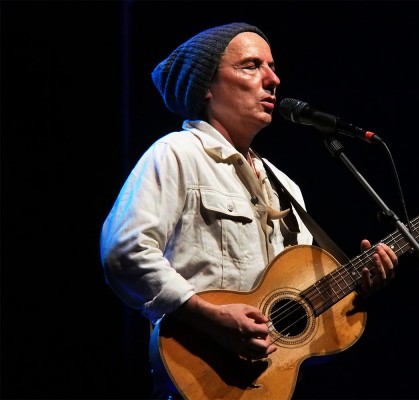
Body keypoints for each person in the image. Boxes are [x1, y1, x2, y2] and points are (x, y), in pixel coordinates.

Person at [99, 21, 398, 398]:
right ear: (206, 86)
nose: (273, 79)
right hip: (197, 379)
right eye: (252, 66)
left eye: (272, 67)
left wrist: (357, 289)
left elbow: (299, 331)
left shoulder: (284, 186)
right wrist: (208, 316)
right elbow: (124, 252)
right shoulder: (177, 153)